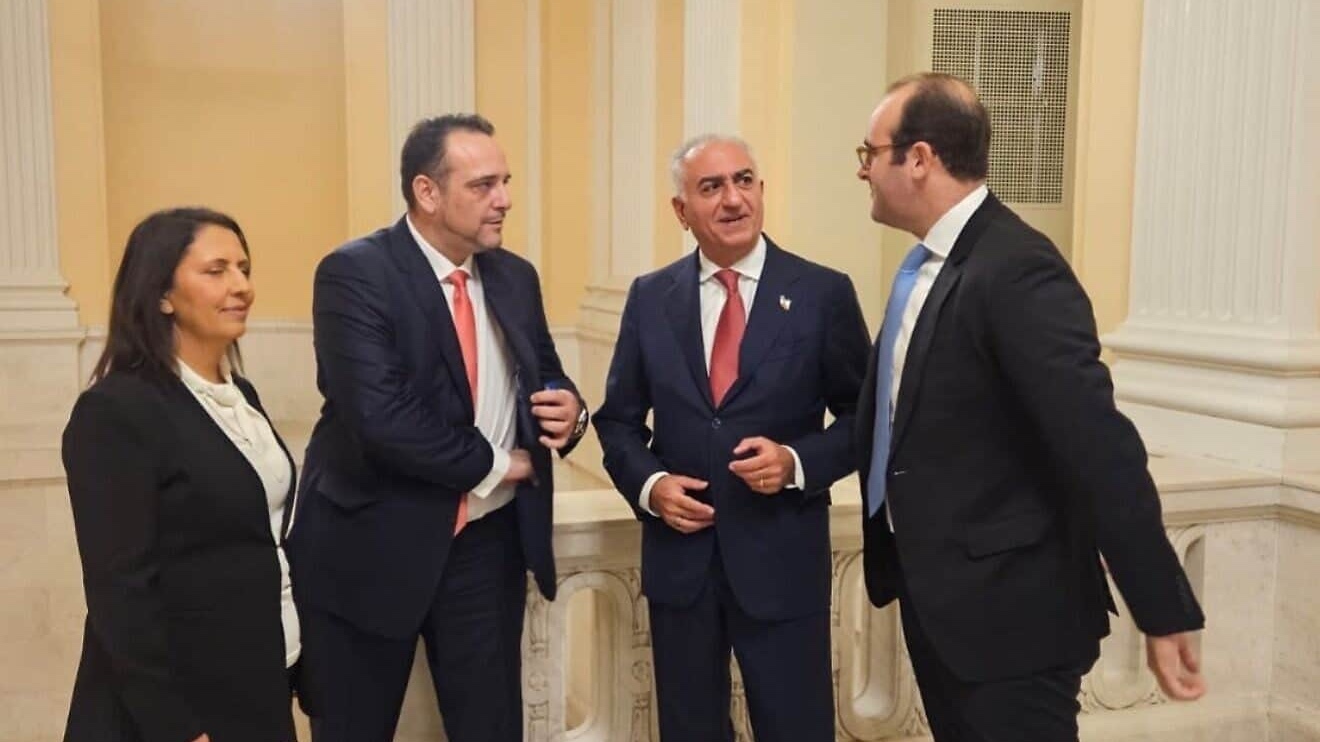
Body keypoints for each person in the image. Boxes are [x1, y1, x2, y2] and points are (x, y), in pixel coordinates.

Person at [854, 72, 1206, 741]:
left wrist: (1160, 609)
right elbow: (903, 424)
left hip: (1012, 623)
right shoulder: (928, 267)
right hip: (944, 607)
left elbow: (1099, 445)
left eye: (870, 154)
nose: (863, 172)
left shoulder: (1015, 267)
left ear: (920, 159)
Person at [287, 113, 587, 742]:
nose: (503, 199)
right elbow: (380, 416)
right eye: (482, 186)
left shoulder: (514, 275)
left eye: (504, 181)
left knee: (491, 727)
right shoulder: (354, 273)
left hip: (485, 547)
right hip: (370, 542)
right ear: (427, 192)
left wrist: (568, 408)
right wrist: (505, 465)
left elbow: (545, 373)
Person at [593, 135, 870, 741]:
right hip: (681, 563)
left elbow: (865, 419)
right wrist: (651, 484)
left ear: (762, 192)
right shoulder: (649, 298)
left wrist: (797, 460)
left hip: (781, 557)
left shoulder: (823, 293)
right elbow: (616, 421)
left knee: (795, 727)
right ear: (681, 210)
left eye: (744, 180)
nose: (733, 199)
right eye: (711, 187)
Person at [62, 207, 300, 742]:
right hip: (179, 709)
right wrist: (177, 729)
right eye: (216, 271)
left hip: (259, 681)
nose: (241, 286)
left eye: (244, 267)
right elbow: (119, 594)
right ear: (162, 294)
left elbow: (263, 540)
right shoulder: (116, 411)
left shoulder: (242, 396)